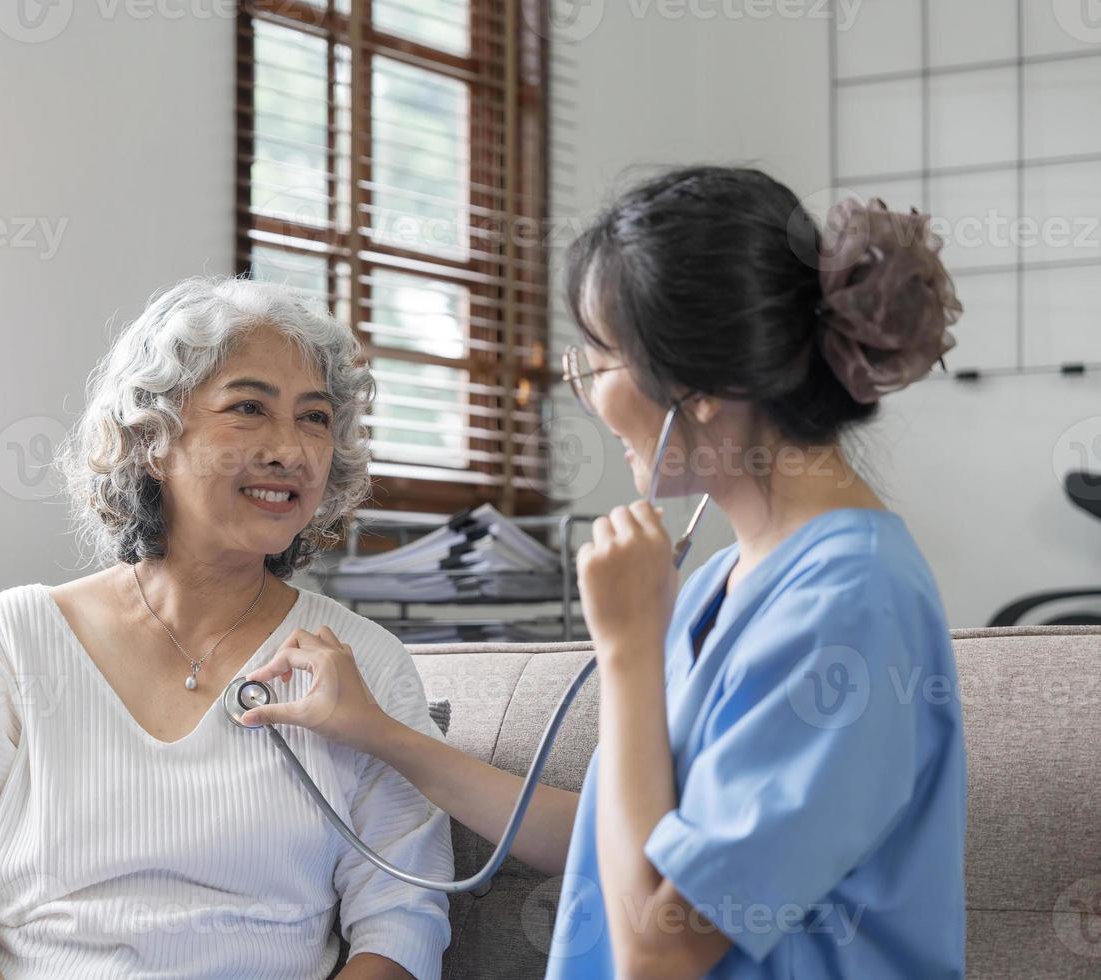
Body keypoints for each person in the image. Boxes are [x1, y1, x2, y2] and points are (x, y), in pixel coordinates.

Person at [241, 166, 969, 978]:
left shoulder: (851, 605)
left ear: (697, 386)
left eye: (599, 357)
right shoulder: (731, 579)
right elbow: (609, 834)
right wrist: (382, 734)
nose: (582, 391)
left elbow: (660, 946)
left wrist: (628, 653)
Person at [0, 277, 453, 980]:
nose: (291, 450)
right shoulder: (10, 639)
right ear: (153, 438)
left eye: (315, 418)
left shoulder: (364, 663)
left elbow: (403, 926)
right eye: (249, 408)